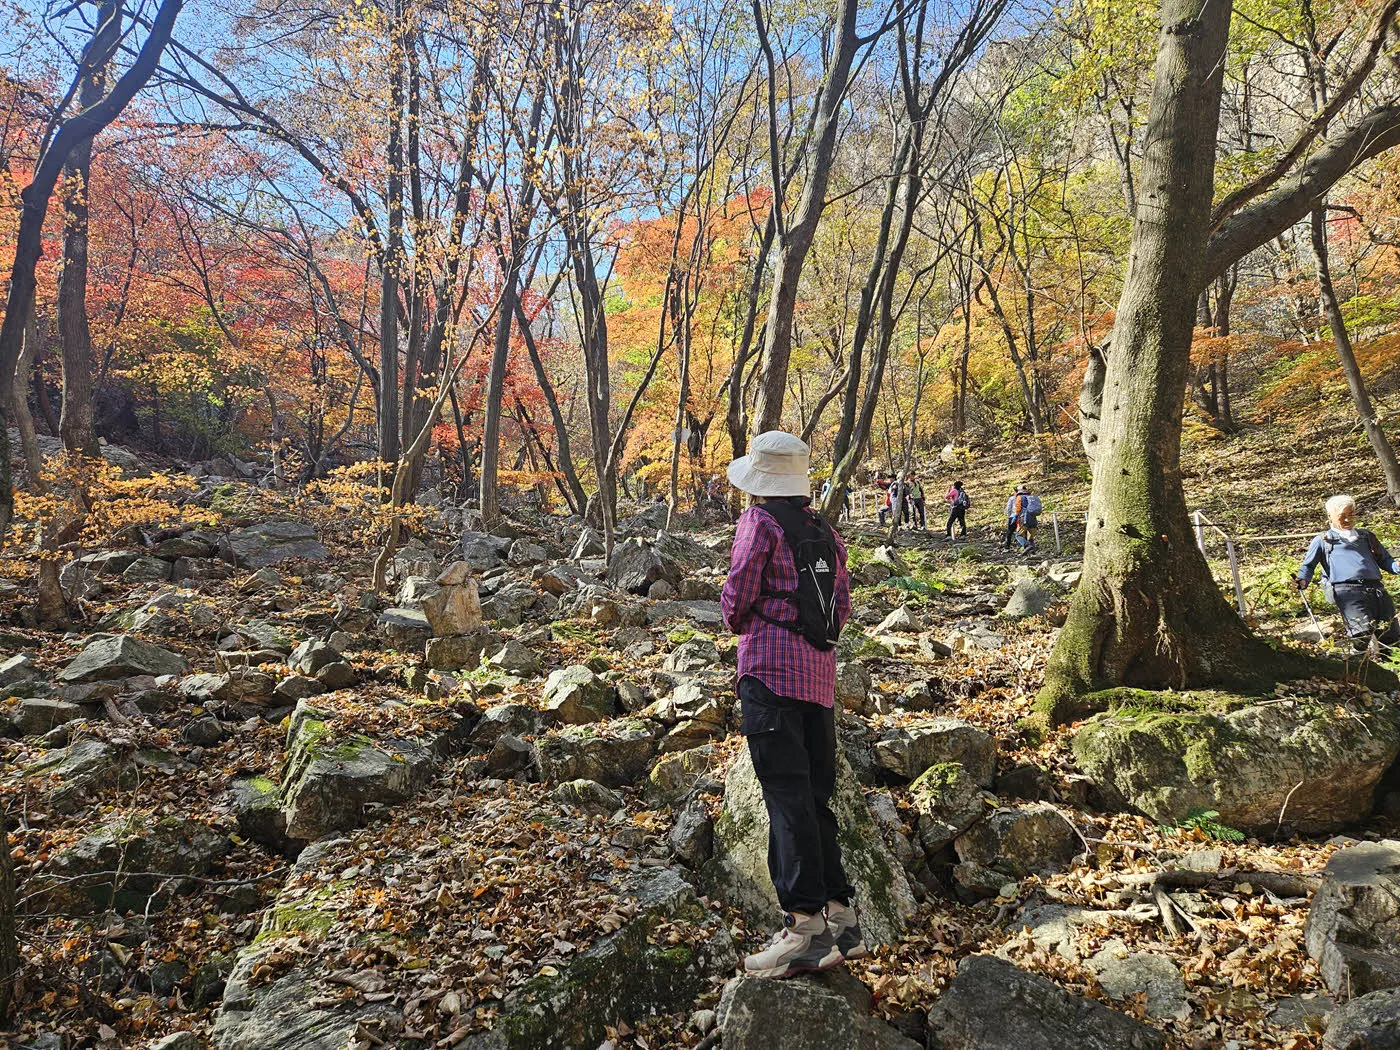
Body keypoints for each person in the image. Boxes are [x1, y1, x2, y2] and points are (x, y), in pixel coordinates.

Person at [721, 430, 862, 979]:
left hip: (769, 673)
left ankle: (803, 929)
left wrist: (738, 618)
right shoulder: (826, 531)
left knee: (786, 799)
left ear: (760, 480)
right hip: (818, 679)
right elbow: (840, 605)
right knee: (815, 798)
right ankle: (841, 920)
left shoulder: (759, 522)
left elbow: (737, 595)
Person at [1297, 494, 1400, 648]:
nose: (1347, 519)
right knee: (1361, 634)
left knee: (1390, 634)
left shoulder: (1367, 537)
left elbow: (1385, 560)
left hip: (1377, 590)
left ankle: (1389, 662)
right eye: (1342, 516)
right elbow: (1308, 566)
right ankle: (1359, 661)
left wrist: (1396, 567)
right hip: (1348, 592)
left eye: (1351, 514)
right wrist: (1302, 580)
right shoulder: (1323, 540)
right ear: (1330, 516)